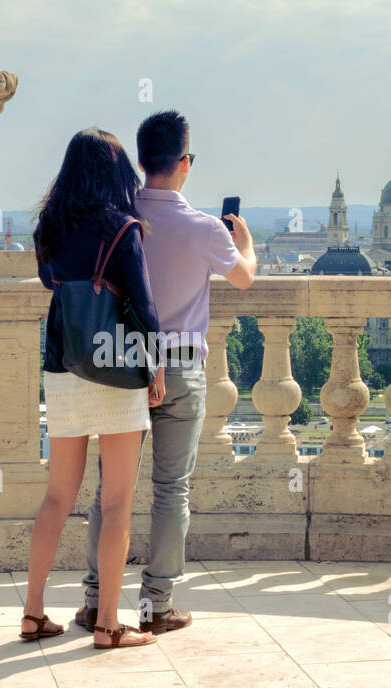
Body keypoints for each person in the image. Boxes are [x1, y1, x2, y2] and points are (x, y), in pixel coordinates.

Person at [76, 110, 257, 635]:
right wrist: (245, 242)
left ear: (139, 161)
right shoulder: (203, 227)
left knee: (110, 488)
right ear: (184, 164)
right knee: (170, 489)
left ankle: (95, 598)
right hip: (180, 365)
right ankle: (156, 602)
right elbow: (244, 279)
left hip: (122, 362)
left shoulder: (116, 218)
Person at [23, 127, 165, 649]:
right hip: (117, 368)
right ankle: (107, 624)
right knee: (118, 501)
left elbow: (48, 283)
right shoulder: (123, 227)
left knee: (57, 496)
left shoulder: (50, 228)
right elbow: (146, 309)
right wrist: (156, 368)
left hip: (64, 368)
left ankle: (33, 611)